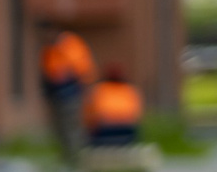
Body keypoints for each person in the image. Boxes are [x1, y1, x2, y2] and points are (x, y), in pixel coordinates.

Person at [39, 26, 97, 164]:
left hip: (70, 93)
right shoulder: (50, 49)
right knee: (60, 129)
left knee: (72, 127)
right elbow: (48, 72)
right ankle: (68, 158)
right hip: (57, 94)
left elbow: (80, 69)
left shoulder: (69, 45)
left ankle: (78, 159)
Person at [87, 64, 144, 146]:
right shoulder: (129, 90)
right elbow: (136, 114)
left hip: (105, 128)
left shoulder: (99, 89)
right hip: (126, 128)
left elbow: (90, 114)